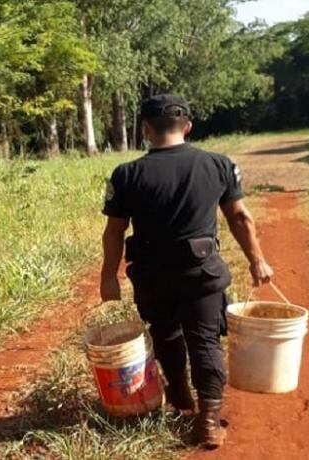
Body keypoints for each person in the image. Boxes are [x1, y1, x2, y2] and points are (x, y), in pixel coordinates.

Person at [99, 94, 273, 449]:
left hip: (152, 275)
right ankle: (208, 423)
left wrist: (108, 277)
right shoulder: (219, 165)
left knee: (166, 335)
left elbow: (114, 230)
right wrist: (257, 260)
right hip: (202, 272)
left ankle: (180, 400)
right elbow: (240, 217)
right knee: (205, 341)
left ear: (145, 129)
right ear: (188, 127)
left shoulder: (127, 174)